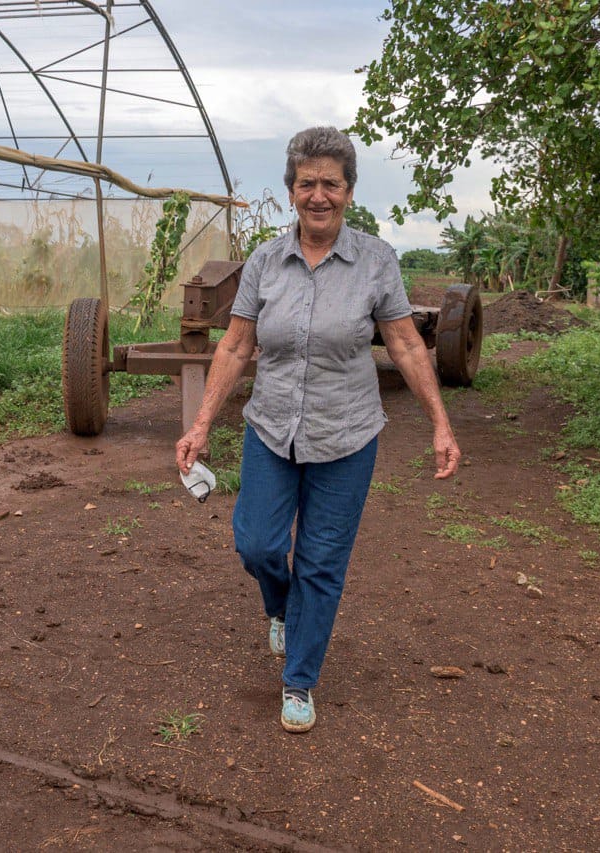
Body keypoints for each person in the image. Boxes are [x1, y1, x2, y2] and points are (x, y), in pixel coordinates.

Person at [175, 126, 460, 733]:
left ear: (349, 192)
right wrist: (200, 425)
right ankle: (278, 609)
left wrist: (441, 424)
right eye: (307, 183)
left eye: (331, 183)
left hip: (347, 435)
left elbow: (406, 345)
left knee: (322, 562)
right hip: (273, 428)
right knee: (256, 544)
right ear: (291, 193)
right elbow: (235, 346)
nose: (319, 195)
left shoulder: (376, 261)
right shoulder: (265, 263)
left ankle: (300, 679)